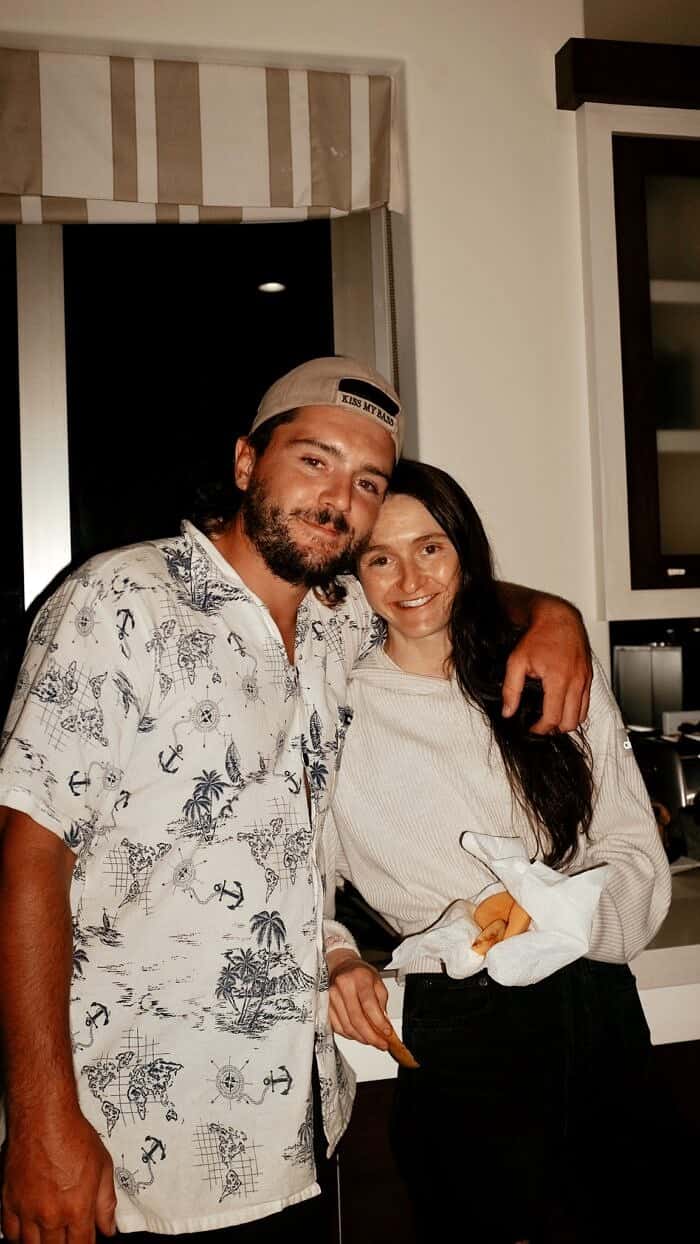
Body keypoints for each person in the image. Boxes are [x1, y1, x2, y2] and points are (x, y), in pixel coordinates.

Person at [0, 358, 592, 1244]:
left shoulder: (336, 619)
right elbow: (28, 854)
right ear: (247, 463)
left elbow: (443, 591)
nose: (339, 499)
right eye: (315, 460)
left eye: (368, 481)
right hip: (130, 1147)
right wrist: (42, 1119)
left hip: (294, 1131)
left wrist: (556, 615)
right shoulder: (123, 599)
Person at [324, 458, 672, 1244]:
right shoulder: (335, 710)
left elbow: (632, 850)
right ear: (355, 574)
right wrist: (337, 956)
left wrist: (554, 910)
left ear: (466, 552)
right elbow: (297, 875)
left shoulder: (548, 670)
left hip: (595, 1001)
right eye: (380, 558)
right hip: (461, 1018)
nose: (410, 580)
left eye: (431, 549)